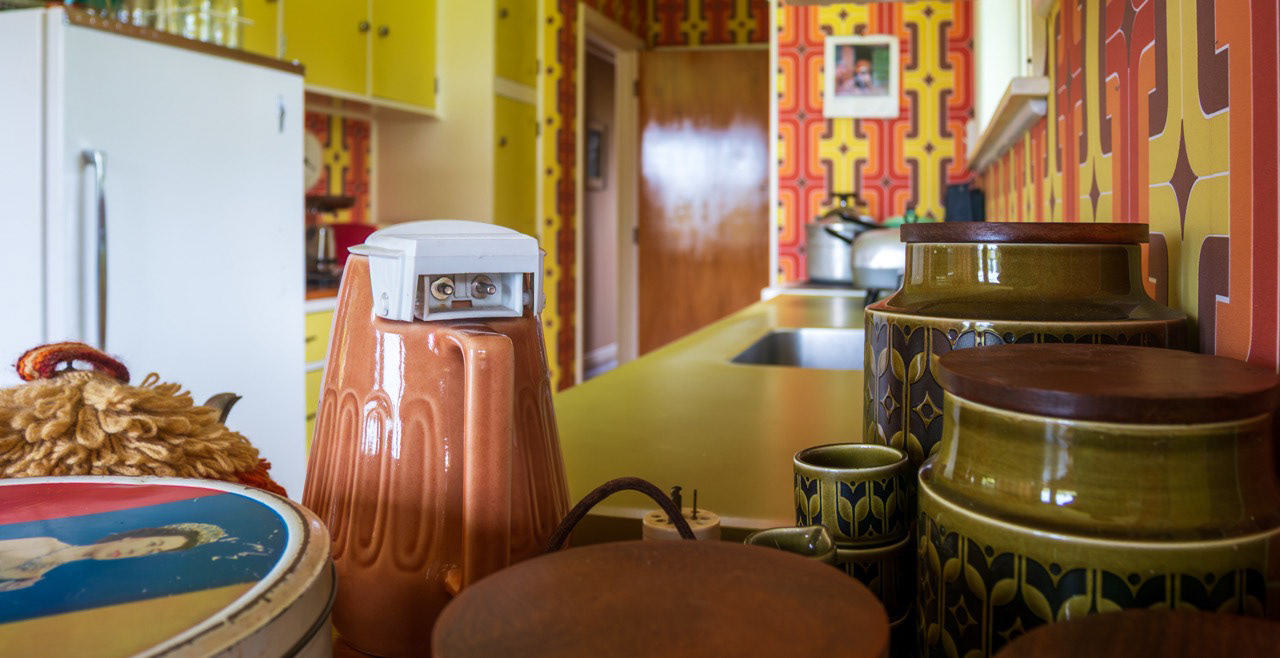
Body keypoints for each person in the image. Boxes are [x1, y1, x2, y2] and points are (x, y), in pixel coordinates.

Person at [0, 523, 225, 592]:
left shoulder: (38, 576)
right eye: (151, 544)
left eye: (152, 552)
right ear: (131, 537)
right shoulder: (45, 544)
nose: (139, 552)